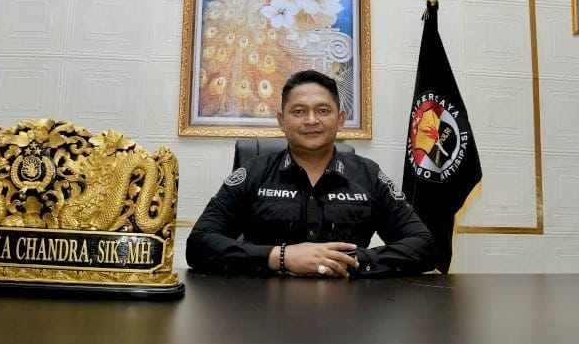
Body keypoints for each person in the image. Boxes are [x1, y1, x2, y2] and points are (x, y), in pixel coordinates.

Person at [186, 70, 435, 277]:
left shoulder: (368, 175)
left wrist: (348, 261)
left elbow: (423, 243)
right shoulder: (254, 172)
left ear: (340, 120)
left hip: (350, 309)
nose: (312, 120)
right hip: (262, 308)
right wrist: (280, 257)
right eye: (298, 111)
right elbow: (199, 243)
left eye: (323, 110)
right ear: (281, 121)